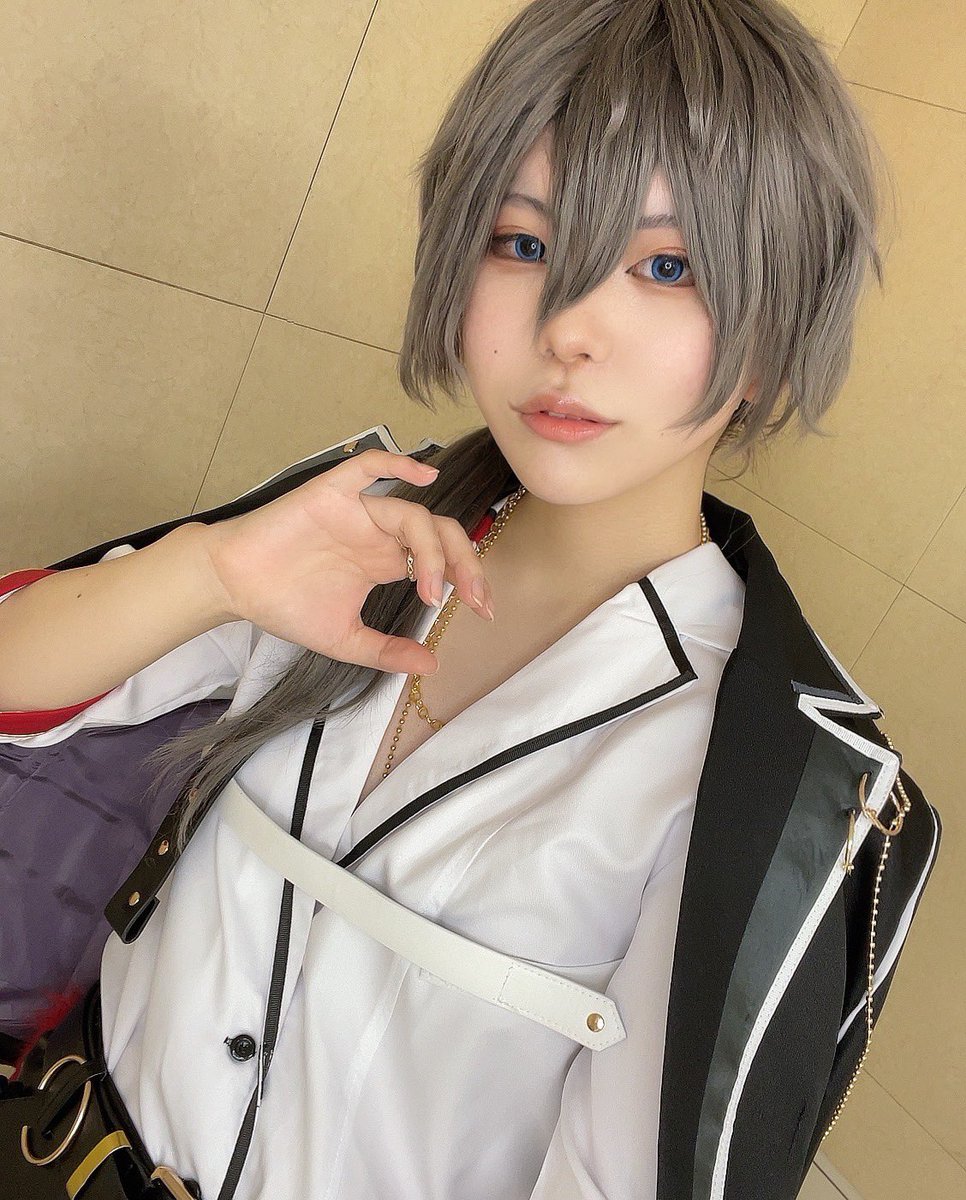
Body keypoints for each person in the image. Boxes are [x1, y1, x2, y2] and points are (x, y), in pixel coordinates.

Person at [0, 1, 942, 1198]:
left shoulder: (768, 784)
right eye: (525, 243)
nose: (569, 330)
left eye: (667, 267)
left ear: (769, 336)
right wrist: (207, 572)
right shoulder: (350, 528)